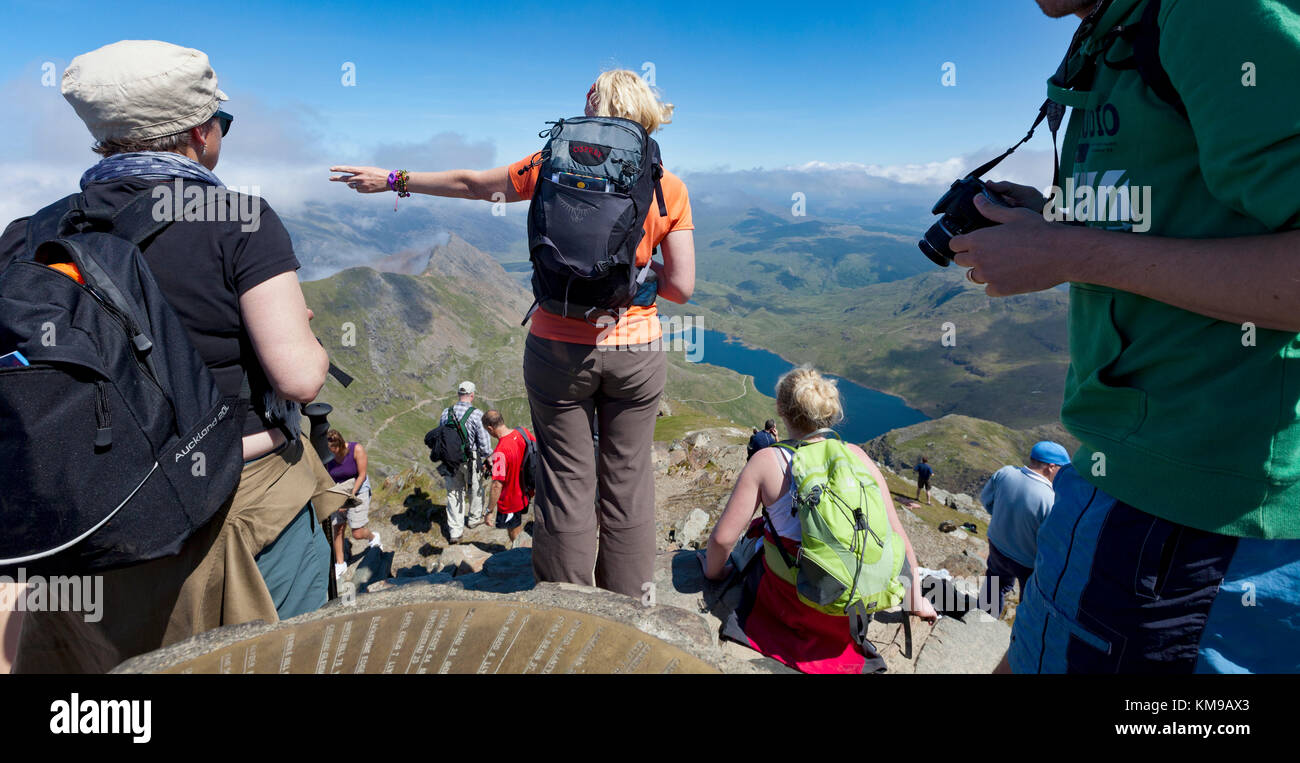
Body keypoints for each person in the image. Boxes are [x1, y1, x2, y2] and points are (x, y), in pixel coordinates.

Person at [957, 1, 1300, 673]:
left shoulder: (1211, 13)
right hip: (1155, 502)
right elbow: (1187, 213)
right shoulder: (1121, 28)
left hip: (1190, 521)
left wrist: (1072, 254)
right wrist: (1052, 223)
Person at [1, 40, 342, 673]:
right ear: (197, 132)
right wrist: (311, 339)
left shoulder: (30, 232)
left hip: (87, 517)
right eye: (222, 121)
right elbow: (298, 378)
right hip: (232, 500)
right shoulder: (238, 217)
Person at [330, 70, 695, 598]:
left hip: (556, 350)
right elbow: (681, 286)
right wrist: (632, 277)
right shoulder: (668, 186)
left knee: (567, 482)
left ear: (592, 107)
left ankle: (566, 606)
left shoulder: (550, 163)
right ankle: (629, 606)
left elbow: (474, 186)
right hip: (635, 350)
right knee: (629, 480)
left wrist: (394, 179)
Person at [703, 367, 937, 674]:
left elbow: (722, 540)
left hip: (789, 604)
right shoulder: (857, 457)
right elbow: (898, 538)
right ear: (829, 413)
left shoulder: (767, 461)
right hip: (850, 608)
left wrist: (714, 574)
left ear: (781, 410)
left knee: (758, 542)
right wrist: (915, 599)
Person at [978, 441, 1069, 617]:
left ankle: (982, 623)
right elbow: (1053, 540)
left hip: (997, 545)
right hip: (1027, 561)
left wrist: (1002, 518)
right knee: (1029, 599)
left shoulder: (1005, 473)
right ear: (1051, 467)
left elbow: (986, 500)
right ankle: (1021, 635)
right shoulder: (1050, 498)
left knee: (994, 583)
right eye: (1061, 468)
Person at [437, 382, 491, 544]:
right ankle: (474, 519)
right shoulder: (476, 414)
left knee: (454, 493)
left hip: (450, 459)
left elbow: (441, 436)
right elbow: (484, 443)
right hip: (471, 458)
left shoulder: (446, 413)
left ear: (458, 394)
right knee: (475, 487)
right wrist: (488, 458)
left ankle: (455, 532)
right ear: (472, 395)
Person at [324, 430, 381, 579]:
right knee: (337, 527)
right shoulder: (327, 457)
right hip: (339, 491)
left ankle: (373, 537)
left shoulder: (357, 450)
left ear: (340, 445)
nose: (333, 456)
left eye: (334, 451)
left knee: (356, 532)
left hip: (358, 489)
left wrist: (349, 497)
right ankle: (340, 563)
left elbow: (361, 475)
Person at [483, 410, 536, 548]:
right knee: (516, 525)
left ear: (490, 428)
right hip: (526, 490)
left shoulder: (500, 452)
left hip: (511, 500)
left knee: (514, 529)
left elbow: (497, 485)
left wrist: (489, 511)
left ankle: (519, 555)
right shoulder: (522, 432)